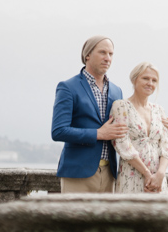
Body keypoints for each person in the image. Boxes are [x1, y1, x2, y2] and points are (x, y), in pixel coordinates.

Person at [50, 36, 127, 193]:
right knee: (75, 219)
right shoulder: (68, 87)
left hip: (110, 175)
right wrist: (98, 134)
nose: (108, 58)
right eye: (102, 52)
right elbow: (58, 131)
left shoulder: (116, 91)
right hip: (77, 174)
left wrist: (159, 123)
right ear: (87, 55)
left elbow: (123, 126)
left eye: (111, 54)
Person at [110, 62, 168, 193]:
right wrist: (147, 174)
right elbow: (122, 144)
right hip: (131, 176)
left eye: (154, 80)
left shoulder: (159, 110)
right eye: (145, 78)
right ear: (134, 79)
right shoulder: (121, 106)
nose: (150, 83)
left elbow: (166, 147)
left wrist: (160, 174)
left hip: (158, 180)